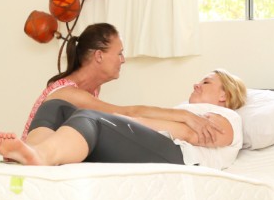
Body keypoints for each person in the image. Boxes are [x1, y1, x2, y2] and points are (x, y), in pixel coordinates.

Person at [0, 69, 247, 170]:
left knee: (90, 118)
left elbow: (190, 134)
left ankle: (41, 157)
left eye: (206, 82)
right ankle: (33, 151)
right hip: (155, 145)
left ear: (224, 94)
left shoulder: (230, 118)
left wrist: (122, 122)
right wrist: (179, 116)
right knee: (57, 106)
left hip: (178, 158)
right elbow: (143, 115)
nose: (196, 84)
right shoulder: (186, 110)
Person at [21, 23, 224, 145]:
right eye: (119, 53)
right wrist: (185, 115)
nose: (123, 60)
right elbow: (126, 113)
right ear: (99, 56)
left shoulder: (92, 89)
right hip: (38, 153)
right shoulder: (68, 92)